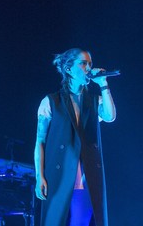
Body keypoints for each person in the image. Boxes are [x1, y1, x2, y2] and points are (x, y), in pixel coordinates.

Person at [34, 48, 116, 226]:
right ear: (69, 69)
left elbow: (110, 117)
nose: (88, 67)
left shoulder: (95, 100)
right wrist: (40, 176)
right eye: (83, 63)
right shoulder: (51, 101)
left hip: (87, 175)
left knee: (82, 221)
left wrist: (103, 84)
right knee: (56, 220)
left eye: (90, 64)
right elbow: (40, 141)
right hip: (60, 171)